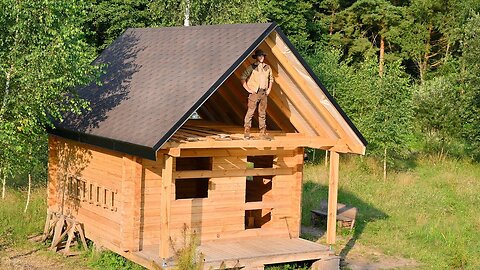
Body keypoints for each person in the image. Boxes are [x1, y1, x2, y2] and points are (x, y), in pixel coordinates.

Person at [240, 49, 274, 140]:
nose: (261, 58)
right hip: (254, 92)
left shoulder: (267, 67)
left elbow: (271, 79)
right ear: (256, 57)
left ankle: (262, 132)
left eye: (262, 56)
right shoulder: (251, 67)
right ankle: (247, 131)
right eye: (260, 56)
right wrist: (248, 89)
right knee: (250, 111)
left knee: (262, 113)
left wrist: (269, 89)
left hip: (263, 92)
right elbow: (243, 78)